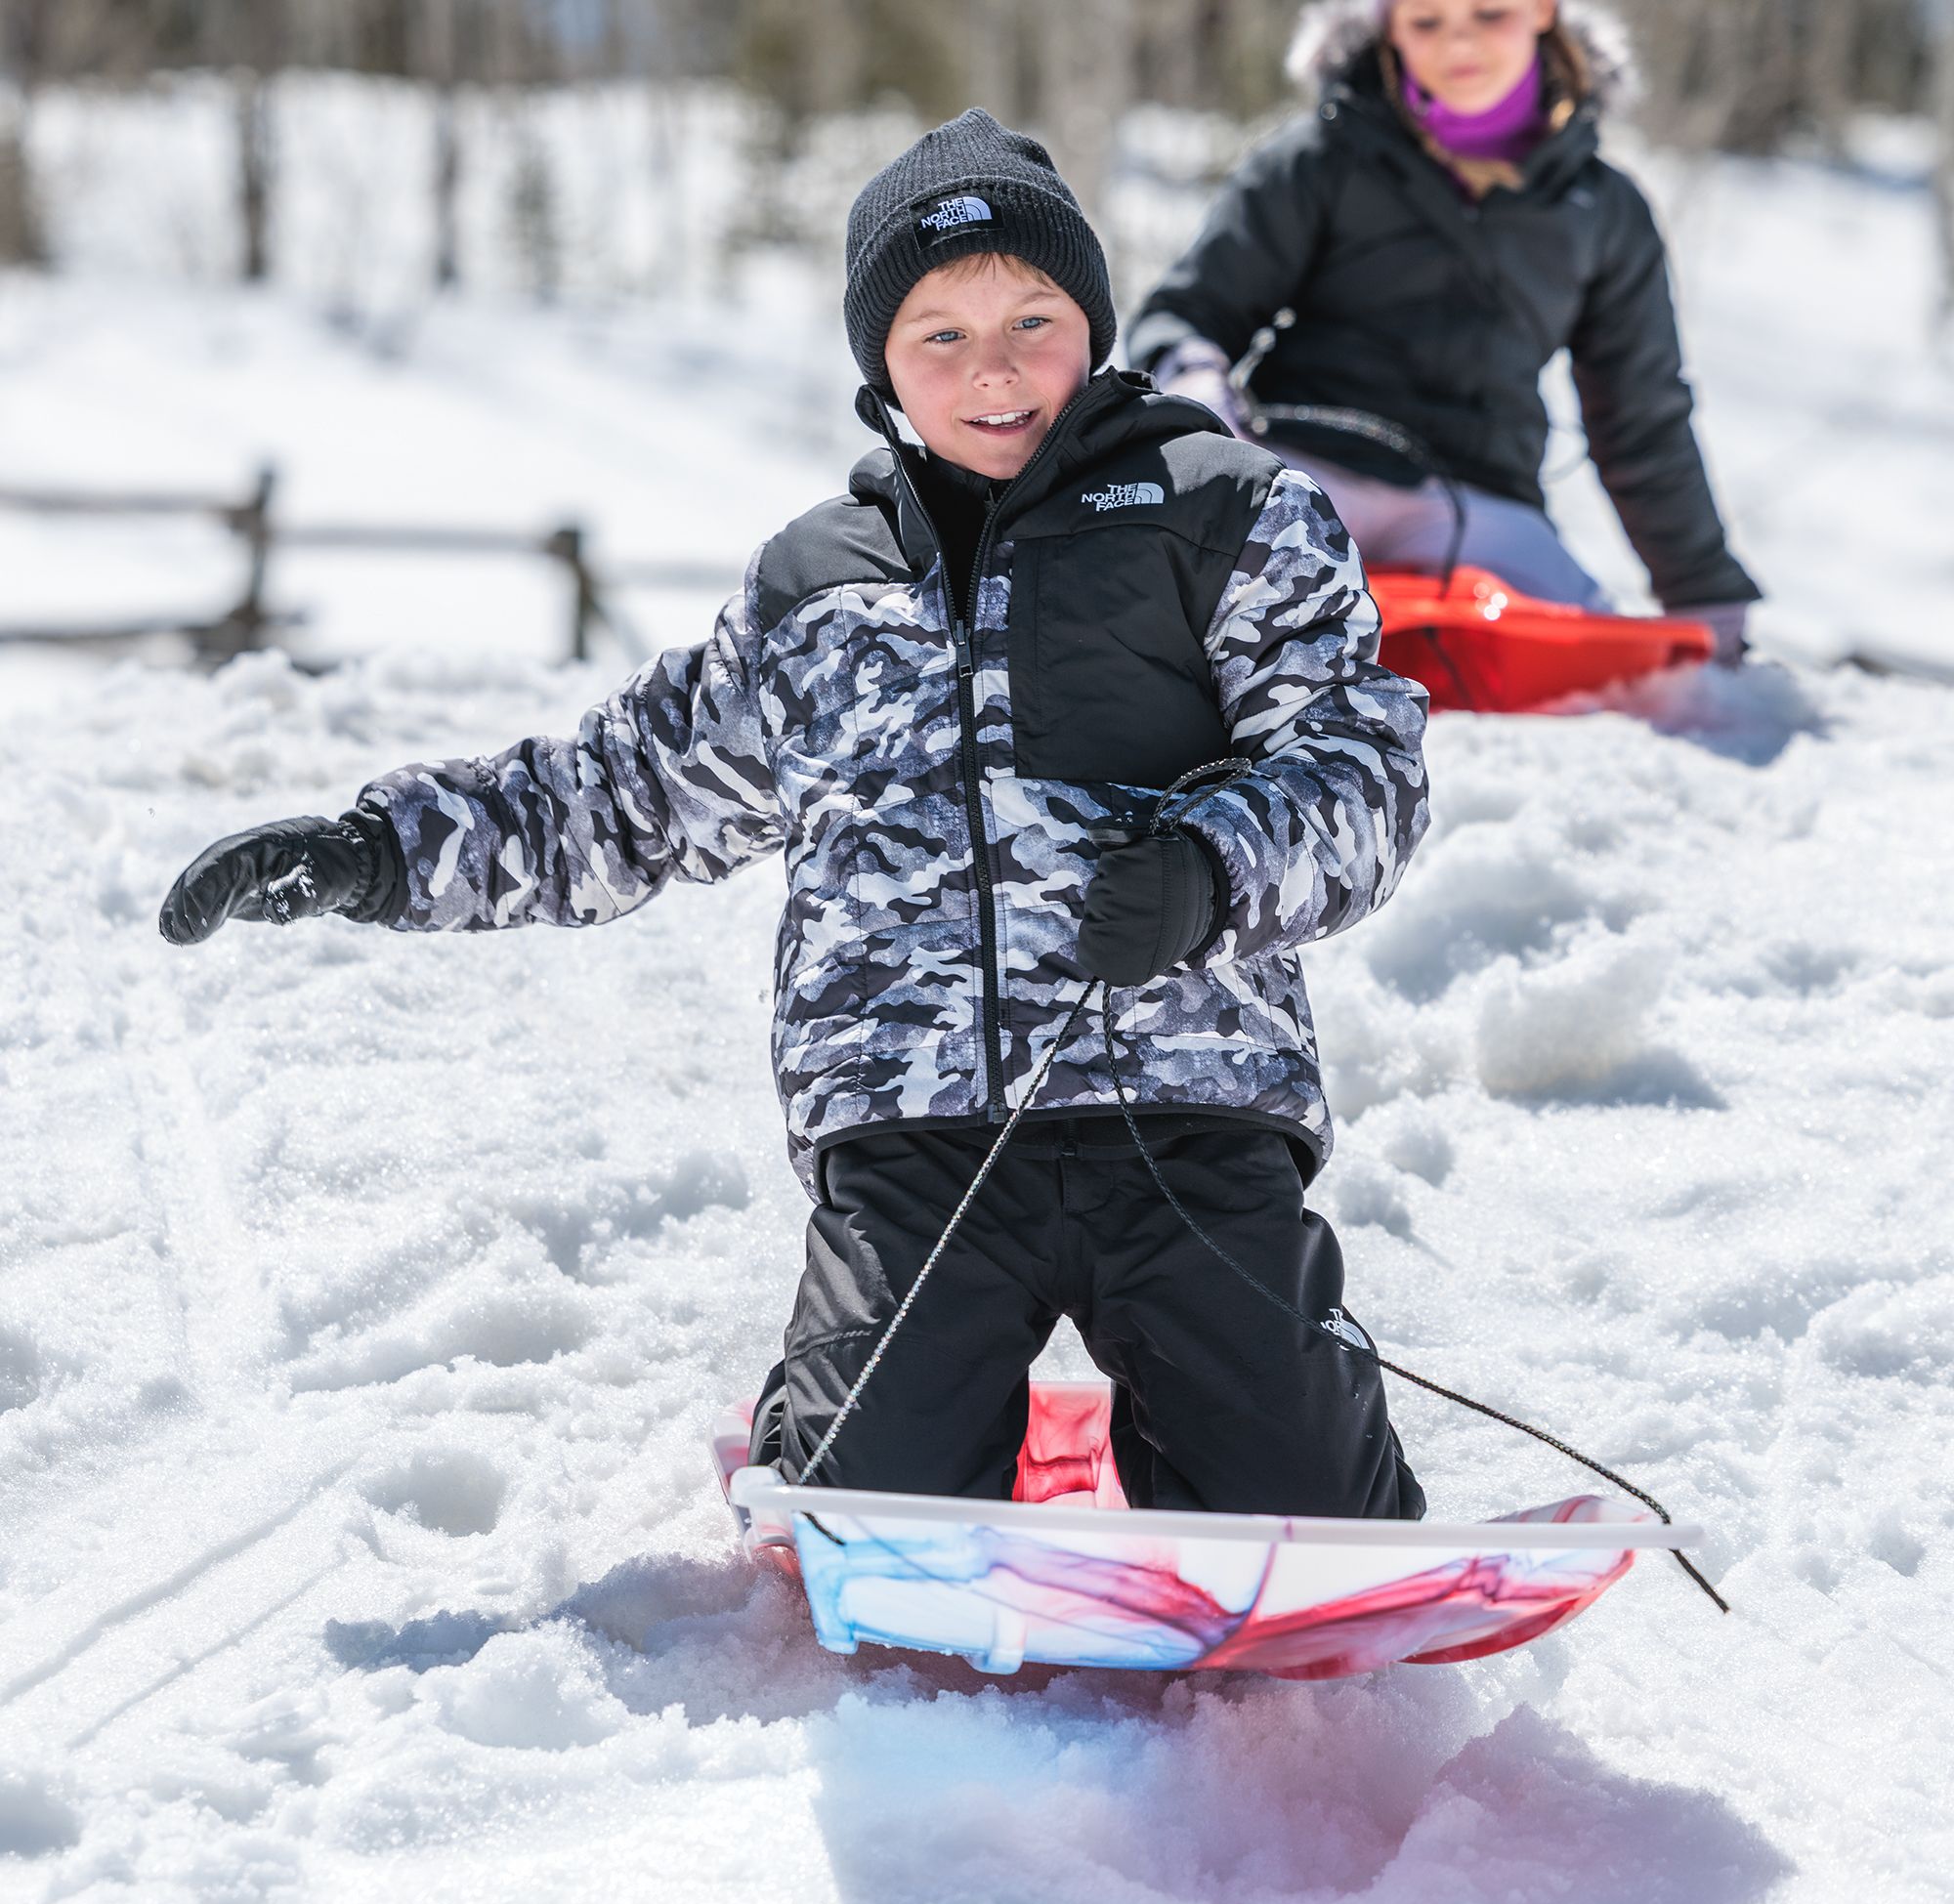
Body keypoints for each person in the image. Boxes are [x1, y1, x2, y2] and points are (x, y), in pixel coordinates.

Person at [157, 111, 1428, 1520]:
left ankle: (1221, 1425)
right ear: (879, 367)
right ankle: (850, 1400)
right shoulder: (813, 586)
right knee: (859, 1501)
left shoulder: (1226, 510)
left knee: (1312, 1513)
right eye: (938, 335)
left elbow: (1362, 763)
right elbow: (614, 797)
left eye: (1032, 319)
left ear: (1098, 324)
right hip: (915, 1143)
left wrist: (1210, 869)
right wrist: (370, 852)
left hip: (1189, 1118)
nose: (992, 368)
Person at [1129, 0, 1761, 658]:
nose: (1459, 44)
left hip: (1479, 502)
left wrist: (1704, 594)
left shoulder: (1606, 211)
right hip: (1308, 472)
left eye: (1490, 14)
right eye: (1427, 22)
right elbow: (1192, 309)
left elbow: (1641, 416)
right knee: (1184, 594)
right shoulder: (1318, 160)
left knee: (1591, 660)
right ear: (1389, 28)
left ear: (1542, 11)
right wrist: (1197, 379)